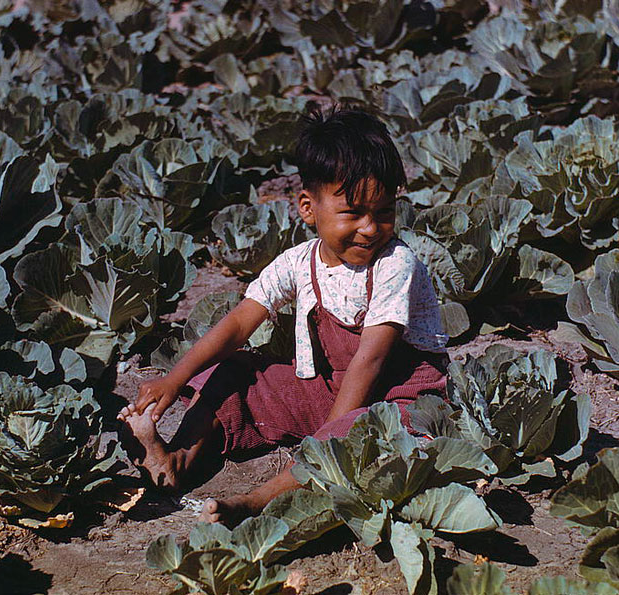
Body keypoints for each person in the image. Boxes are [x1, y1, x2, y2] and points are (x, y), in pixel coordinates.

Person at [117, 106, 447, 526]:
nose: (370, 227)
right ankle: (179, 459)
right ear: (308, 208)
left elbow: (371, 360)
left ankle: (256, 502)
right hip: (329, 389)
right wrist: (172, 379)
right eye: (352, 213)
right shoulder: (298, 261)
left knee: (363, 437)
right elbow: (238, 324)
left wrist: (324, 441)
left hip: (398, 397)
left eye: (384, 212)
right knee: (236, 374)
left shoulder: (395, 264)